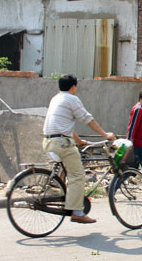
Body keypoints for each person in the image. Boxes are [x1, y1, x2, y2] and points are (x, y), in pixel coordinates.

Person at [43, 74, 115, 224]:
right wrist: (105, 134)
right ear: (73, 87)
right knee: (78, 175)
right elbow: (88, 119)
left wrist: (79, 141)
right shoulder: (71, 99)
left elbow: (65, 127)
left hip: (50, 141)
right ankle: (77, 212)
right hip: (62, 143)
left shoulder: (56, 98)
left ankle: (68, 199)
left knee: (70, 171)